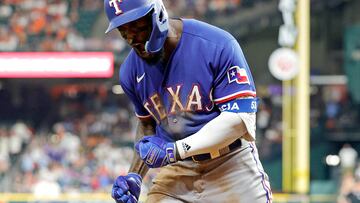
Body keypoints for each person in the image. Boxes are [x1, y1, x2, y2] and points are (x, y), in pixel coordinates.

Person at [104, 0, 272, 202]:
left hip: (230, 164)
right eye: (123, 30)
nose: (132, 38)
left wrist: (175, 150)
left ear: (157, 14)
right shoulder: (130, 71)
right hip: (177, 170)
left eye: (137, 27)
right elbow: (147, 125)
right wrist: (135, 175)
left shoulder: (216, 44)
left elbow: (238, 120)